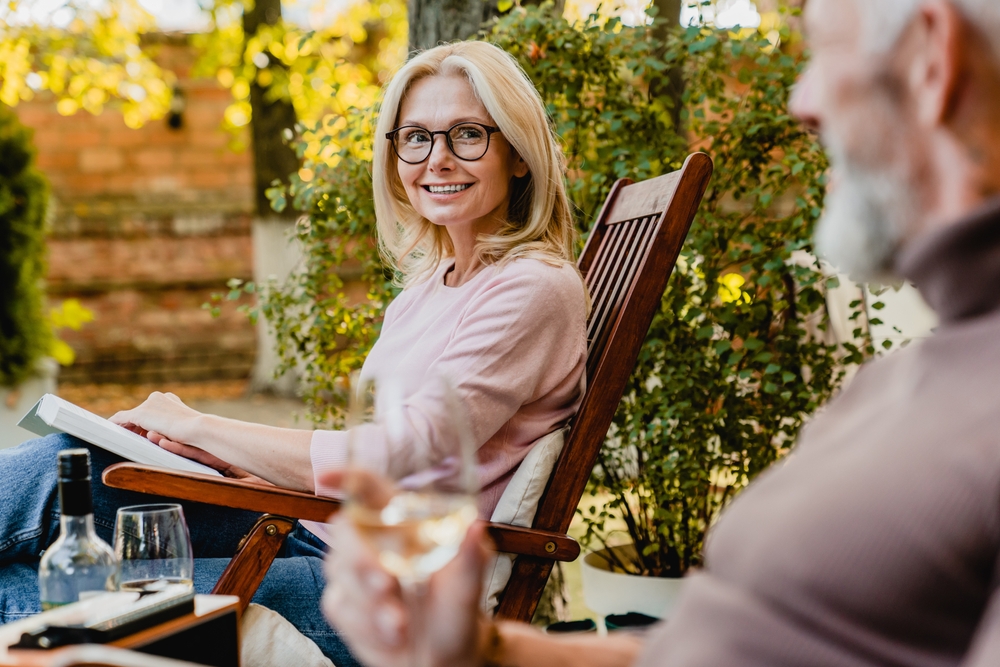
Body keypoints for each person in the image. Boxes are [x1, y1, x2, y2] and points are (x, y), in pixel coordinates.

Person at [321, 0, 1000, 665]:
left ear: (932, 60)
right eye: (415, 137)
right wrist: (488, 651)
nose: (803, 101)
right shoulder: (903, 380)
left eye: (823, 51)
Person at [0, 40, 588, 666]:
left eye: (468, 135)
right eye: (415, 138)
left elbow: (400, 458)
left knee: (37, 554)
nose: (437, 159)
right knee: (76, 465)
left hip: (385, 590)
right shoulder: (429, 288)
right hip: (319, 530)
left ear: (518, 155)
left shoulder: (532, 288)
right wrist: (214, 457)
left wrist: (199, 424)